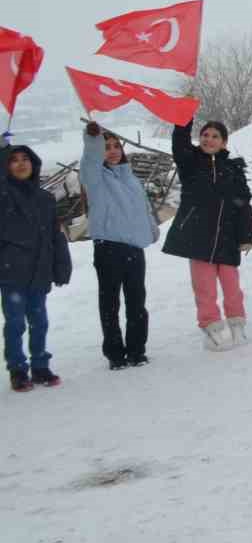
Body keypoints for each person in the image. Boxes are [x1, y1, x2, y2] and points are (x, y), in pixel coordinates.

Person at [164, 119, 252, 351]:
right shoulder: (191, 163)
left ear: (224, 142)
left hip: (227, 237)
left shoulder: (233, 169)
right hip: (198, 237)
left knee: (231, 285)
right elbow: (179, 143)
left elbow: (243, 204)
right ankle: (212, 328)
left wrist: (247, 235)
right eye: (205, 135)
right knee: (204, 287)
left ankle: (237, 324)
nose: (209, 139)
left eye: (215, 136)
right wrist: (184, 117)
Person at [80, 122, 159, 368]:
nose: (112, 150)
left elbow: (142, 209)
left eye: (116, 146)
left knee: (137, 301)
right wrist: (93, 139)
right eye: (106, 147)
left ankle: (137, 350)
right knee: (110, 303)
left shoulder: (130, 177)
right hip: (108, 247)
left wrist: (151, 229)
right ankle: (115, 354)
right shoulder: (95, 178)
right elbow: (90, 161)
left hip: (134, 248)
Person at [2, 144, 71, 391]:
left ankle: (40, 365)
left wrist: (61, 266)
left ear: (34, 164)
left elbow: (55, 235)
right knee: (15, 323)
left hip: (40, 270)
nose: (21, 164)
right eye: (14, 160)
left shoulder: (45, 198)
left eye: (25, 159)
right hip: (12, 271)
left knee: (39, 320)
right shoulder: (4, 194)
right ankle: (18, 370)